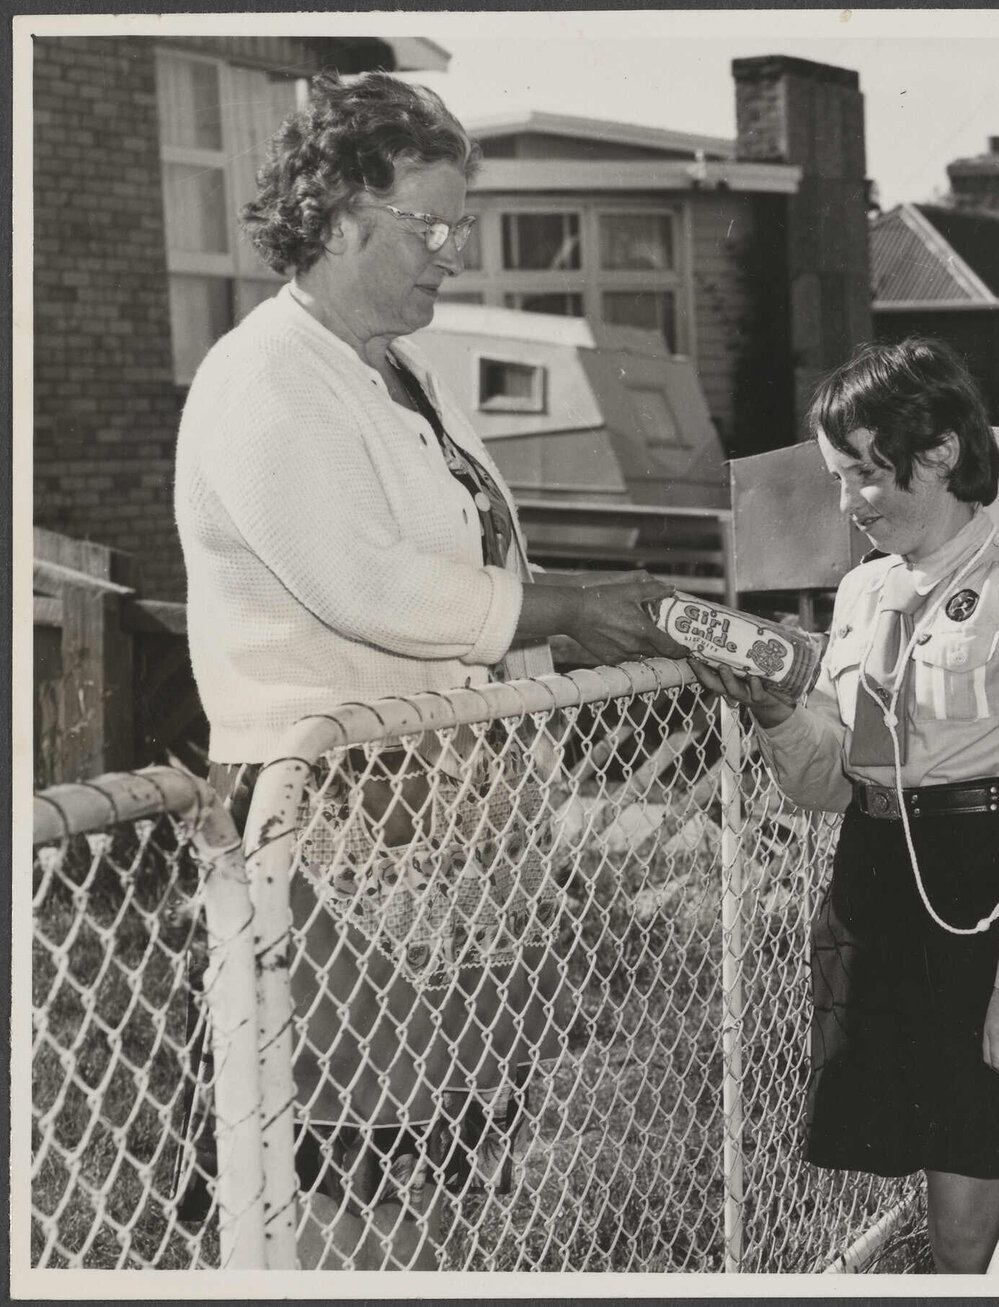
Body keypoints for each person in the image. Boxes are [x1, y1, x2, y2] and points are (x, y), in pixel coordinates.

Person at [173, 70, 687, 1269]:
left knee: (445, 1168)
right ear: (340, 210)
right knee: (345, 1189)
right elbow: (373, 586)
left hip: (444, 849)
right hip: (336, 843)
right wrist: (569, 609)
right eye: (430, 225)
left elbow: (466, 553)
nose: (454, 254)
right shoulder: (268, 378)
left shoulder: (395, 371)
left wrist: (593, 600)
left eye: (461, 226)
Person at [690, 337, 999, 1272]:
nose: (849, 505)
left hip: (982, 897)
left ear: (943, 451)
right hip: (875, 891)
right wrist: (773, 711)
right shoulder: (863, 590)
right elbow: (829, 781)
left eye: (868, 475)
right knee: (929, 1176)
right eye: (839, 479)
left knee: (975, 1192)